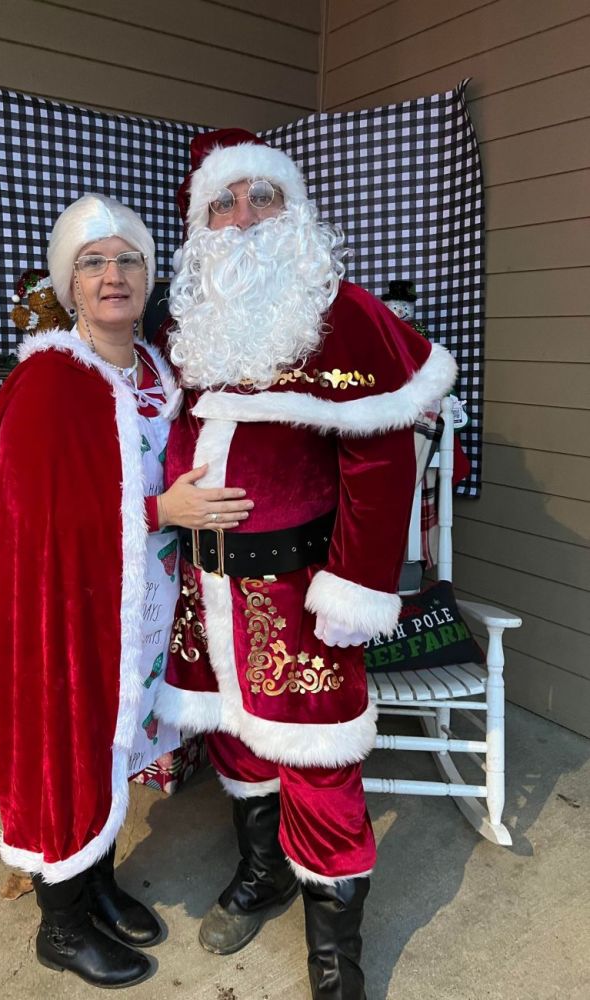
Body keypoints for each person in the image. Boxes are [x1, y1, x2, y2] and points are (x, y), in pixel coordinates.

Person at [154, 130, 457, 999]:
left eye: (262, 197)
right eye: (224, 202)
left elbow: (382, 465)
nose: (243, 217)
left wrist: (356, 587)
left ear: (294, 212)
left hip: (296, 588)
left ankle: (334, 951)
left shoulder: (344, 314)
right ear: (202, 224)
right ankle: (265, 872)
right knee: (235, 744)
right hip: (204, 586)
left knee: (318, 764)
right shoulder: (189, 326)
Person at [0, 193, 252, 989]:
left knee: (112, 747)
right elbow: (29, 512)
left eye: (128, 260)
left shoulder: (157, 371)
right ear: (70, 283)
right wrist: (156, 511)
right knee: (68, 747)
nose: (112, 275)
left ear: (147, 276)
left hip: (144, 604)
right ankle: (60, 926)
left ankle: (93, 880)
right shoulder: (47, 379)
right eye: (93, 262)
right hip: (69, 610)